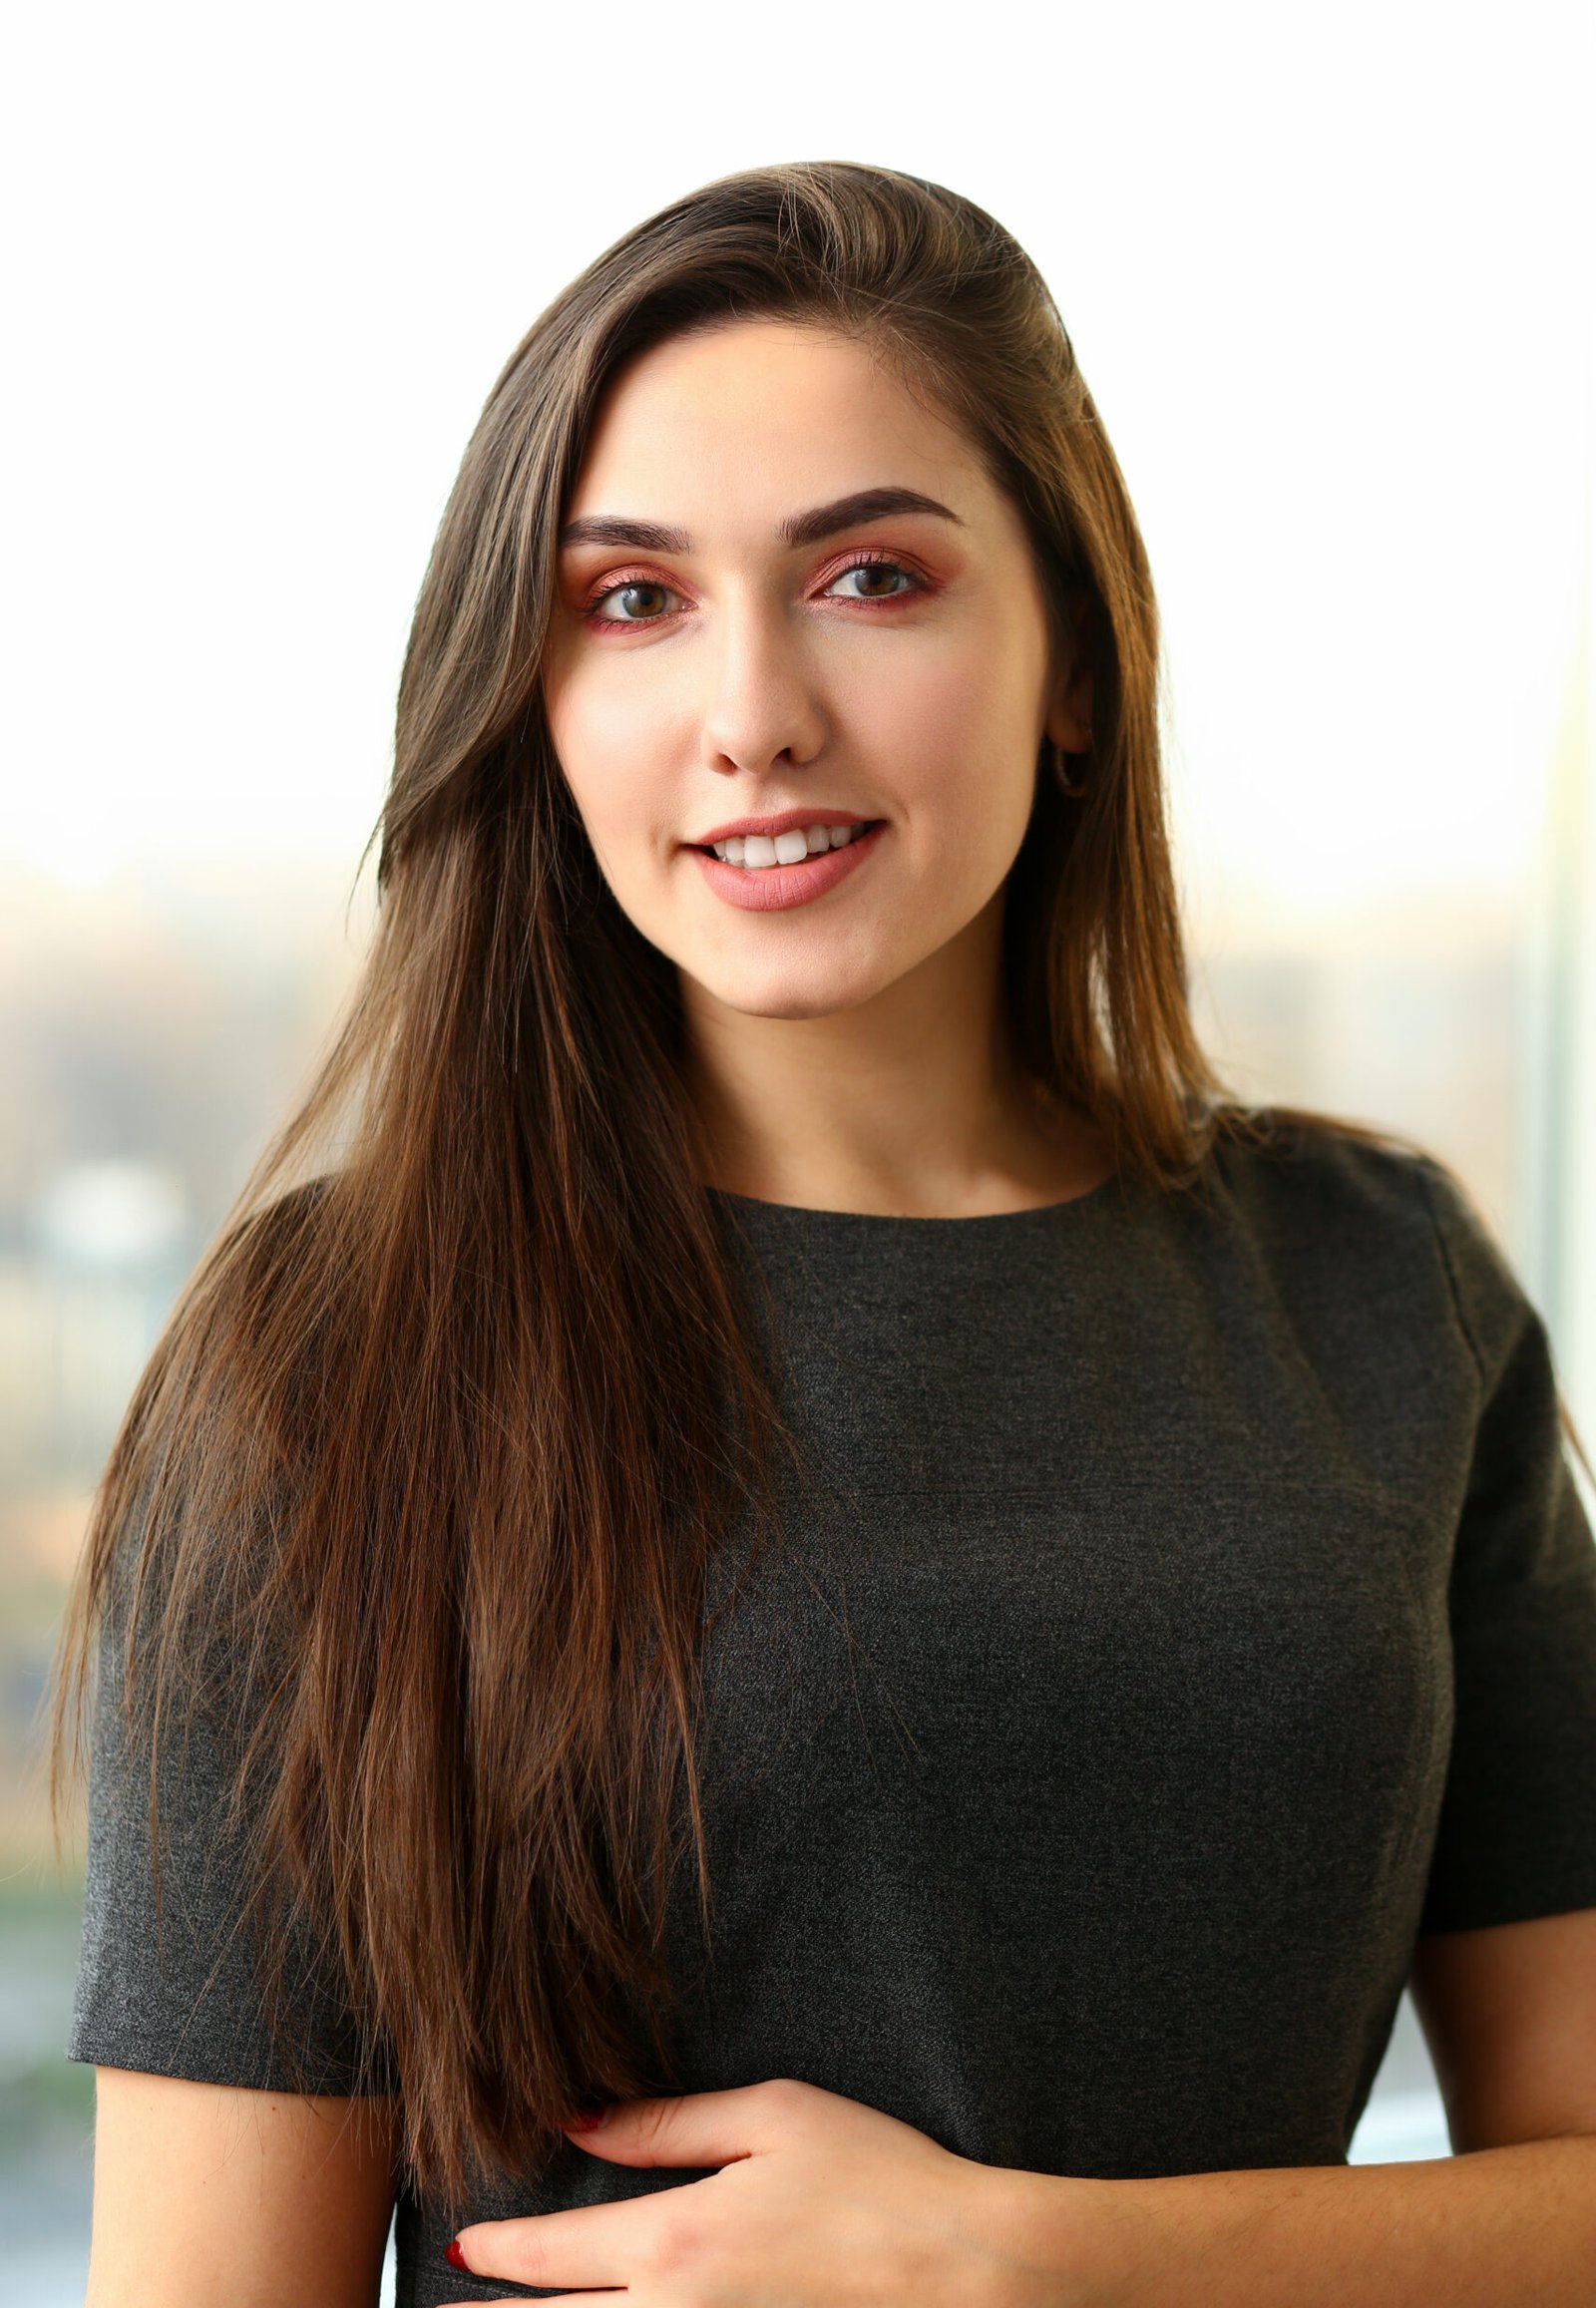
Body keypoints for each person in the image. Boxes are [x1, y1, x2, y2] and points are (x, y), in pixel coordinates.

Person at [49, 161, 1596, 2307]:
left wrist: (1019, 2259)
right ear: (532, 695)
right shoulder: (334, 1358)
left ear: (1070, 661)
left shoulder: (1371, 1290)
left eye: (870, 576)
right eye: (628, 601)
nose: (751, 708)